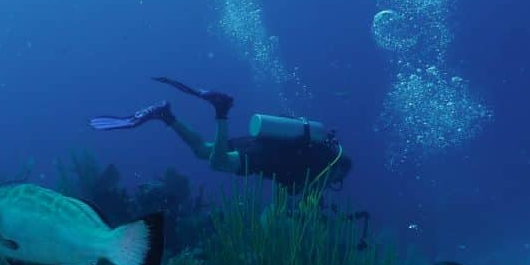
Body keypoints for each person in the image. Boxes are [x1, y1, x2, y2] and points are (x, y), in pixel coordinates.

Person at [88, 77, 352, 192]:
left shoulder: (318, 152)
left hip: (265, 145)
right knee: (217, 163)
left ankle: (165, 115)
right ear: (338, 168)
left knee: (203, 150)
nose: (334, 182)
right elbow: (298, 185)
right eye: (338, 178)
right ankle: (222, 110)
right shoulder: (323, 165)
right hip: (268, 157)